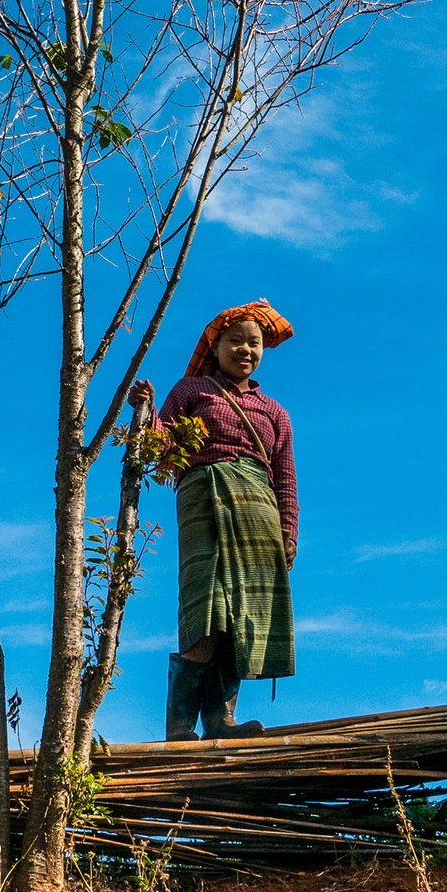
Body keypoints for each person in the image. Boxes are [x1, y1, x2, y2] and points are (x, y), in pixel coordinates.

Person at [130, 299, 297, 741]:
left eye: (254, 343)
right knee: (206, 609)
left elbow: (285, 479)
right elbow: (161, 444)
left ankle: (221, 720)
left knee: (241, 615)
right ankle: (179, 725)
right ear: (215, 346)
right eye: (236, 340)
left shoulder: (275, 412)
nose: (246, 350)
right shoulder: (191, 391)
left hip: (258, 510)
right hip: (203, 498)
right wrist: (146, 412)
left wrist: (288, 533)